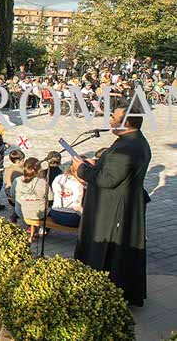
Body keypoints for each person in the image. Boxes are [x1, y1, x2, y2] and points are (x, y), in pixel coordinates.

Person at [72, 104, 152, 306]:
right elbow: (114, 170)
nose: (110, 121)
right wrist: (96, 164)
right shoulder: (135, 141)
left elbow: (107, 180)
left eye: (114, 118)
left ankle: (102, 293)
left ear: (126, 123)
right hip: (122, 204)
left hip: (112, 210)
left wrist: (81, 169)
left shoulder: (126, 148)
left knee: (107, 255)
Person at [13, 158, 49, 241]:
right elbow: (51, 197)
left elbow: (12, 194)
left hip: (21, 212)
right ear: (38, 170)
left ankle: (32, 229)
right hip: (39, 214)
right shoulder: (42, 182)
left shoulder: (17, 180)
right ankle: (43, 230)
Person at [49, 161, 85, 228]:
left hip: (55, 213)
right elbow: (77, 206)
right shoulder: (78, 183)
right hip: (71, 217)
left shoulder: (58, 178)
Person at [4, 149, 26, 222]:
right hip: (13, 192)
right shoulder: (10, 170)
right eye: (23, 160)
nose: (24, 161)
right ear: (17, 161)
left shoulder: (21, 167)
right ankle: (14, 216)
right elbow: (8, 184)